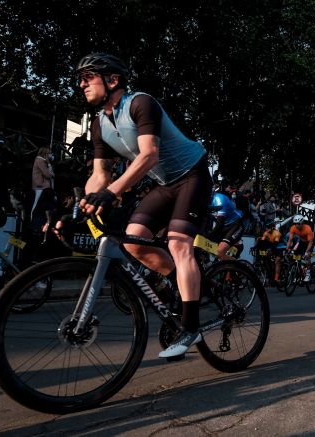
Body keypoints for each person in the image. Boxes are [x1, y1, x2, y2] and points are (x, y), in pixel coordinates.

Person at [74, 53, 211, 359]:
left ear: (113, 80)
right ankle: (182, 288)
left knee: (178, 244)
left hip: (193, 174)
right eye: (80, 79)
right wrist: (85, 204)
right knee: (133, 241)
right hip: (165, 183)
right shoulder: (99, 124)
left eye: (88, 77)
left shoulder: (140, 103)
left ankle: (191, 327)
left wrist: (111, 192)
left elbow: (149, 155)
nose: (81, 84)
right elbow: (100, 175)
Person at [205, 191, 244, 260]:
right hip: (223, 226)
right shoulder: (203, 200)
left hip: (234, 225)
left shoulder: (219, 199)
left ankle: (239, 265)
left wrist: (209, 236)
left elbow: (220, 224)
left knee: (219, 253)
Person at [285, 214, 315, 280]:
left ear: (302, 223)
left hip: (309, 243)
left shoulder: (307, 228)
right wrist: (287, 249)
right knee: (295, 255)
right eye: (295, 223)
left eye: (298, 223)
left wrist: (307, 251)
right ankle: (298, 272)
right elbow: (290, 240)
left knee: (307, 256)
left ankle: (308, 274)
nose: (297, 225)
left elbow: (310, 242)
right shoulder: (293, 228)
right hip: (302, 242)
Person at [31, 147, 55, 221]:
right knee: (36, 203)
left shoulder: (43, 161)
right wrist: (51, 172)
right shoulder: (40, 161)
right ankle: (33, 219)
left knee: (39, 203)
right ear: (46, 154)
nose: (51, 155)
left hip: (43, 186)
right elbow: (48, 174)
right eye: (50, 153)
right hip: (40, 186)